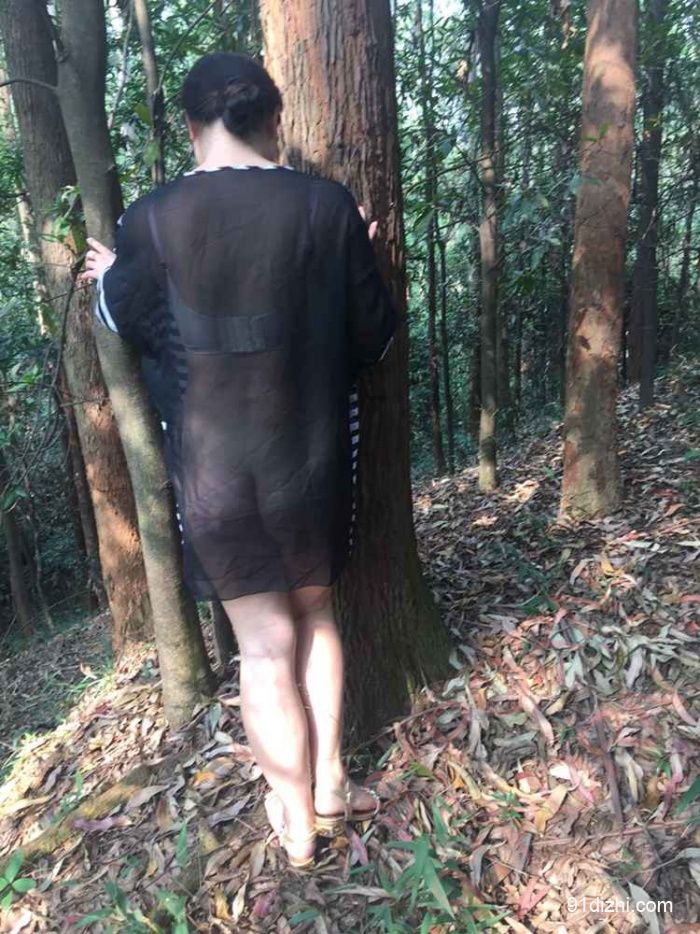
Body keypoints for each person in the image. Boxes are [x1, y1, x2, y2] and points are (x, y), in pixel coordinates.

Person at [82, 52, 396, 869]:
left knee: (263, 647)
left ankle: (295, 822)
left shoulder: (153, 218)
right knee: (317, 618)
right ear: (273, 121)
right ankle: (331, 782)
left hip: (216, 476)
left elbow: (122, 316)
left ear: (192, 127)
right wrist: (354, 254)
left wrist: (114, 272)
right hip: (314, 460)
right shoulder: (326, 207)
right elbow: (374, 337)